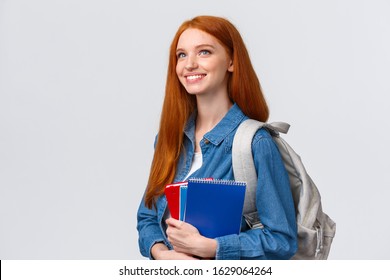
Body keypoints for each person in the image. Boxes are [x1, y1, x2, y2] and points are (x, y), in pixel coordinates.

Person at [137, 15, 297, 260]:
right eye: (181, 55)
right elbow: (147, 217)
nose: (189, 64)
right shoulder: (168, 140)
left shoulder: (256, 143)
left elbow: (282, 240)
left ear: (231, 61)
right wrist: (162, 254)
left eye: (204, 52)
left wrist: (212, 248)